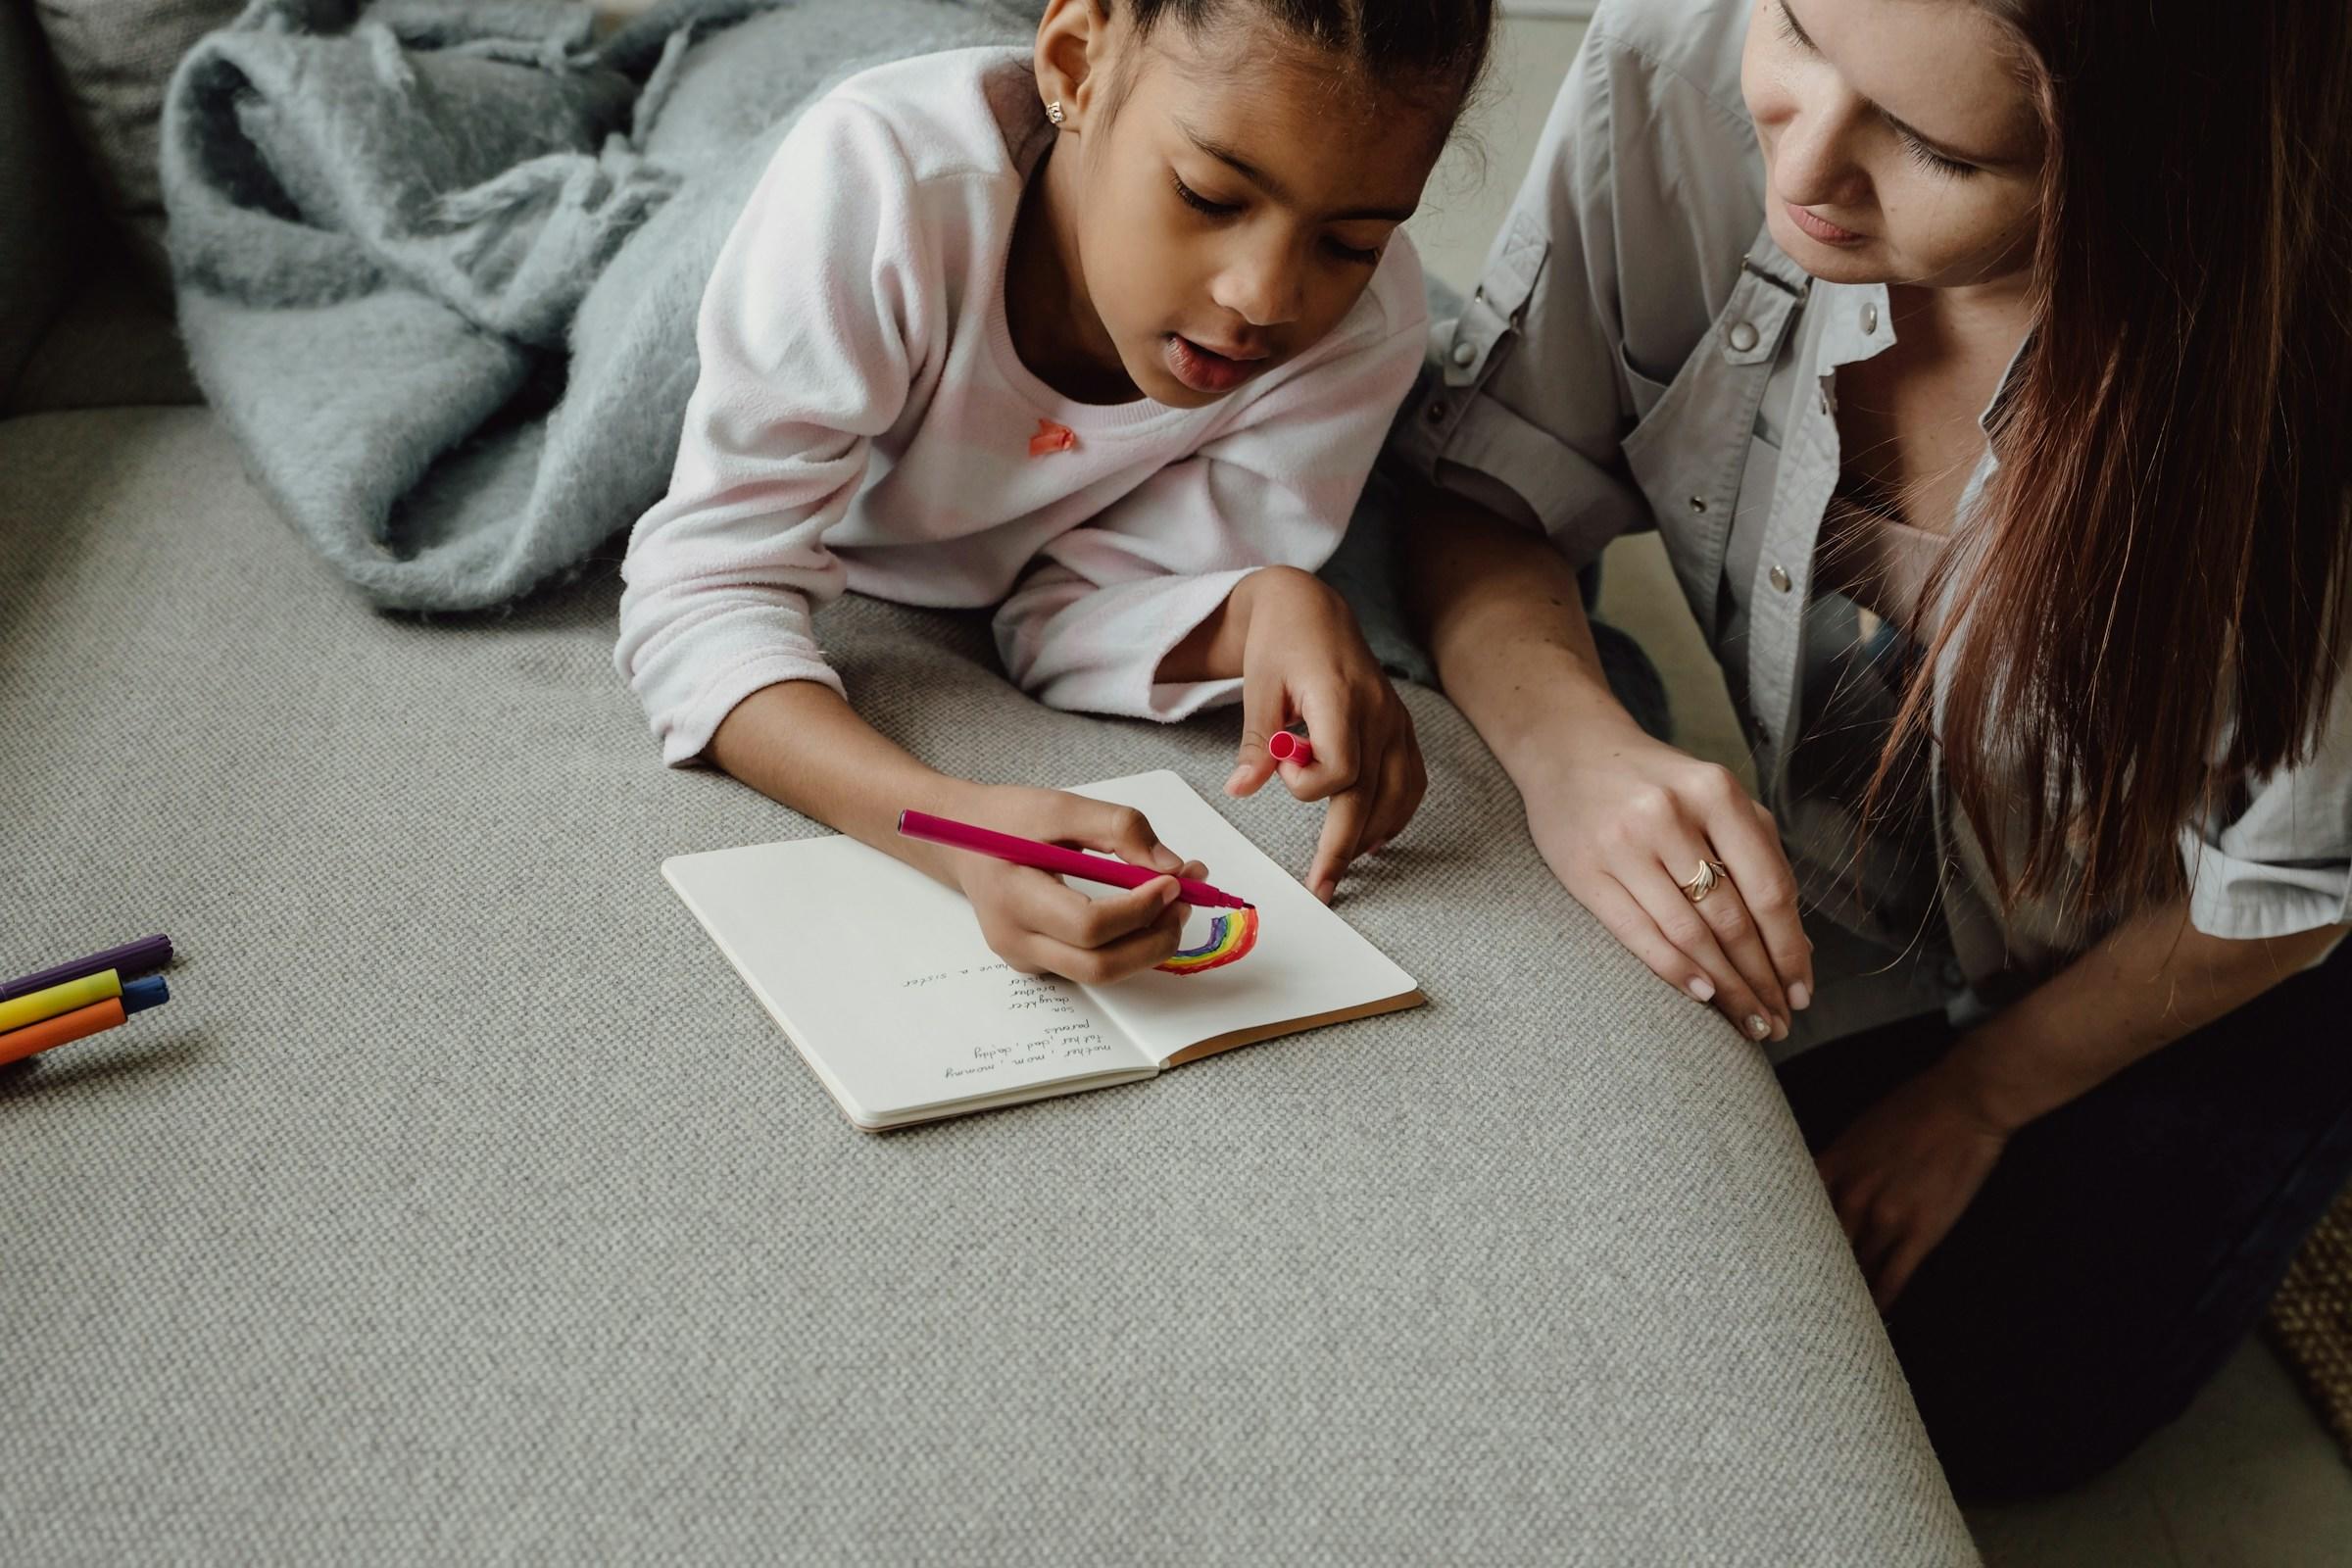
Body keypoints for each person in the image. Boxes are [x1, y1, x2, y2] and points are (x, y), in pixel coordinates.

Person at [1395, 0, 2352, 1498]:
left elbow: (2285, 889)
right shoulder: (1674, 64)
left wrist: (1979, 1097)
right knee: (1574, 1254)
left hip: (2222, 939)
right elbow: (1489, 485)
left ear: (2151, 171)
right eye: (1796, 29)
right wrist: (1577, 751)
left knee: (1968, 1405)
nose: (1801, 164)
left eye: (1932, 148)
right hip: (1901, 873)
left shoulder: (2305, 400)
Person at [620, 0, 1494, 980]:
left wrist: (1257, 605)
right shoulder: (883, 180)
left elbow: (1059, 617)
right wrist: (944, 828)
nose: (1265, 298)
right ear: (1076, 63)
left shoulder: (1359, 334)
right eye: (1209, 196)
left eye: (1350, 243)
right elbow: (703, 591)